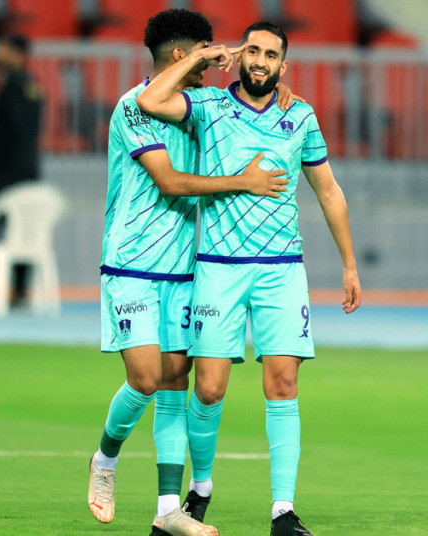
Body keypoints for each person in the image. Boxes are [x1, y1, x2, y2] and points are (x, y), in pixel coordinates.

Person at [137, 22, 362, 536]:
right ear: (239, 56)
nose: (260, 61)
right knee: (209, 389)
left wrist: (349, 264)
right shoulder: (210, 106)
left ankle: (283, 511)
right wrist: (202, 59)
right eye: (253, 51)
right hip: (219, 268)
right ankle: (201, 489)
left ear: (284, 65)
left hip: (281, 270)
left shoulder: (300, 116)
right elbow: (150, 100)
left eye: (271, 55)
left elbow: (328, 191)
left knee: (284, 383)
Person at [89, 9, 296, 536]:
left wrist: (278, 92)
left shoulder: (197, 110)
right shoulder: (134, 109)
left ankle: (168, 510)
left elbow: (245, 115)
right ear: (183, 56)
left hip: (182, 268)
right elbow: (171, 183)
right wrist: (242, 182)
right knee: (144, 379)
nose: (214, 68)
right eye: (206, 58)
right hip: (132, 263)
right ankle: (106, 457)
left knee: (174, 382)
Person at [0, 34, 43, 307]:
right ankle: (21, 289)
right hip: (29, 170)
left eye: (3, 48)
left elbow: (9, 133)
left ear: (17, 53)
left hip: (6, 172)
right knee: (24, 228)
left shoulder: (12, 89)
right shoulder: (32, 87)